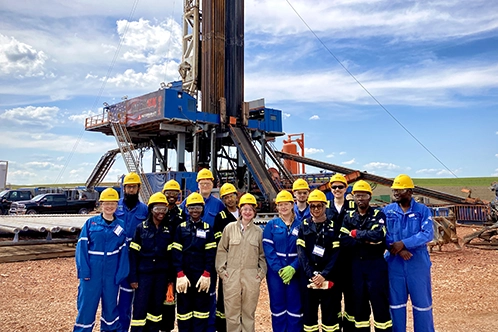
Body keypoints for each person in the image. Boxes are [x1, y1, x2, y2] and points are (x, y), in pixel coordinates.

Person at [382, 174, 435, 332]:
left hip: (417, 263)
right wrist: (398, 249)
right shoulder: (387, 211)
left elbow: (427, 234)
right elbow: (382, 233)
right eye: (394, 190)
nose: (396, 193)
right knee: (395, 305)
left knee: (422, 305)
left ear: (410, 191)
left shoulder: (422, 211)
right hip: (394, 263)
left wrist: (404, 243)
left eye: (400, 190)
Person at [74, 188, 129, 332]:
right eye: (106, 203)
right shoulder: (91, 223)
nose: (110, 206)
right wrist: (84, 271)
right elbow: (81, 248)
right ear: (101, 204)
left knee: (110, 308)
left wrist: (121, 274)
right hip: (92, 273)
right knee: (86, 307)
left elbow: (124, 253)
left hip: (111, 275)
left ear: (117, 205)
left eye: (113, 203)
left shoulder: (121, 226)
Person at [340, 180, 392, 331]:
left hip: (375, 265)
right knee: (359, 306)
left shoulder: (378, 214)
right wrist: (365, 240)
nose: (360, 199)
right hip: (356, 267)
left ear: (369, 196)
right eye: (357, 196)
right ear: (353, 197)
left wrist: (356, 234)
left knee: (380, 305)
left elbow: (379, 235)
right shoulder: (349, 217)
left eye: (363, 195)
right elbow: (344, 240)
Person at [179, 168, 224, 332]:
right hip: (189, 254)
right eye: (202, 182)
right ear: (197, 184)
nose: (205, 184)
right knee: (189, 294)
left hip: (209, 255)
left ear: (212, 184)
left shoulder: (218, 205)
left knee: (209, 292)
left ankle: (209, 327)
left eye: (208, 182)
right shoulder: (186, 202)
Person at [216, 193, 267, 332]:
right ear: (240, 210)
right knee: (231, 313)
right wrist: (222, 271)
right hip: (231, 275)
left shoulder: (258, 232)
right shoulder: (229, 228)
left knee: (248, 313)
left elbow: (262, 256)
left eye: (251, 209)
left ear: (254, 212)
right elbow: (221, 250)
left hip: (251, 276)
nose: (247, 212)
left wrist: (260, 274)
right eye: (244, 209)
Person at [297, 189, 342, 332]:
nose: (316, 209)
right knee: (309, 318)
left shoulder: (334, 227)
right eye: (312, 206)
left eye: (319, 206)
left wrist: (324, 274)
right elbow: (301, 253)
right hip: (309, 278)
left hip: (329, 277)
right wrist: (311, 275)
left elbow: (336, 254)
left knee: (331, 317)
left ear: (325, 206)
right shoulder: (303, 226)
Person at [172, 192, 217, 332]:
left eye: (198, 207)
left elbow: (211, 254)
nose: (194, 210)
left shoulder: (208, 229)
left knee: (201, 310)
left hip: (201, 276)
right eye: (191, 207)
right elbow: (176, 253)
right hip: (184, 276)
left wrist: (207, 273)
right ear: (187, 209)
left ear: (203, 209)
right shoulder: (181, 228)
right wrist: (179, 274)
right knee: (184, 311)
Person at [129, 192, 174, 332]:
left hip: (161, 275)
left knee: (156, 309)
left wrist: (170, 278)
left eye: (164, 209)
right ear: (150, 210)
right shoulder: (141, 229)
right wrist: (133, 277)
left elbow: (172, 256)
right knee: (140, 308)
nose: (161, 212)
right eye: (157, 209)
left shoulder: (168, 230)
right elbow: (133, 255)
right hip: (144, 276)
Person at [262, 190, 303, 332]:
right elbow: (268, 249)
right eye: (280, 205)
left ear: (292, 205)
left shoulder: (301, 225)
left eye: (286, 204)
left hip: (295, 271)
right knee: (277, 305)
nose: (283, 207)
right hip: (275, 273)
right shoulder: (271, 225)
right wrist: (279, 269)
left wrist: (293, 267)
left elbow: (304, 250)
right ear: (277, 207)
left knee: (295, 305)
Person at [115, 172, 149, 332]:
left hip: (137, 259)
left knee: (132, 298)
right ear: (124, 188)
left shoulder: (145, 209)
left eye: (133, 187)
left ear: (138, 188)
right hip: (117, 257)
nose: (130, 189)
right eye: (128, 187)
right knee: (114, 298)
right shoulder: (116, 206)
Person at [325, 173, 355, 331]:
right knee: (333, 297)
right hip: (332, 260)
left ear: (346, 188)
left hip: (349, 258)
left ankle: (349, 328)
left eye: (340, 187)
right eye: (334, 187)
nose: (337, 189)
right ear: (330, 189)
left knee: (351, 296)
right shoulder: (326, 206)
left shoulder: (352, 206)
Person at [213, 183, 240, 332]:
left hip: (243, 262)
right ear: (223, 200)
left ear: (236, 196)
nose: (230, 200)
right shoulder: (221, 217)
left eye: (231, 196)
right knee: (224, 295)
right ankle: (222, 327)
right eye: (226, 197)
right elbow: (219, 240)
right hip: (228, 262)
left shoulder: (244, 213)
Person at [160, 179, 186, 332]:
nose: (171, 196)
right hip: (161, 262)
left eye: (175, 193)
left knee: (179, 298)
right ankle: (165, 328)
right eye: (168, 193)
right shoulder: (158, 213)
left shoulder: (182, 215)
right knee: (164, 298)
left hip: (177, 261)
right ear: (164, 194)